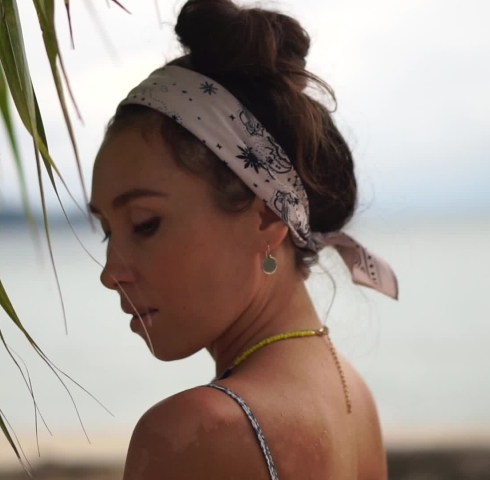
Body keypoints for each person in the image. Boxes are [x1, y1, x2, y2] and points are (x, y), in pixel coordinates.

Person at [88, 0, 399, 478]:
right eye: (108, 230)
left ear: (266, 217)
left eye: (145, 223)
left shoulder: (192, 433)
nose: (111, 273)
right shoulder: (353, 398)